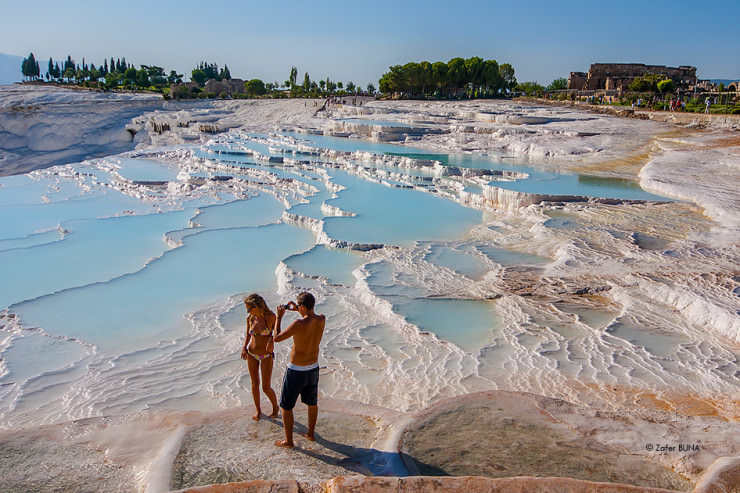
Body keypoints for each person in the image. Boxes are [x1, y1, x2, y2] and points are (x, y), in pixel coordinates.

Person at [273, 292, 325, 448]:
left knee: (286, 406)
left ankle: (288, 441)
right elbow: (310, 316)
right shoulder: (322, 319)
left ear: (302, 307)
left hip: (297, 370)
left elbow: (277, 338)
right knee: (312, 403)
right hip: (313, 367)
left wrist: (279, 317)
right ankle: (310, 433)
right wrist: (299, 309)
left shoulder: (298, 324)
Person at [241, 293, 279, 421]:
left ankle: (275, 408)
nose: (248, 311)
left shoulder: (271, 317)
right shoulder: (250, 318)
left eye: (249, 308)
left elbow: (276, 333)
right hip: (251, 354)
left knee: (266, 387)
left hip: (266, 355)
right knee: (254, 383)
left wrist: (271, 342)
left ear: (257, 306)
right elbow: (247, 335)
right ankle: (258, 410)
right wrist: (244, 348)